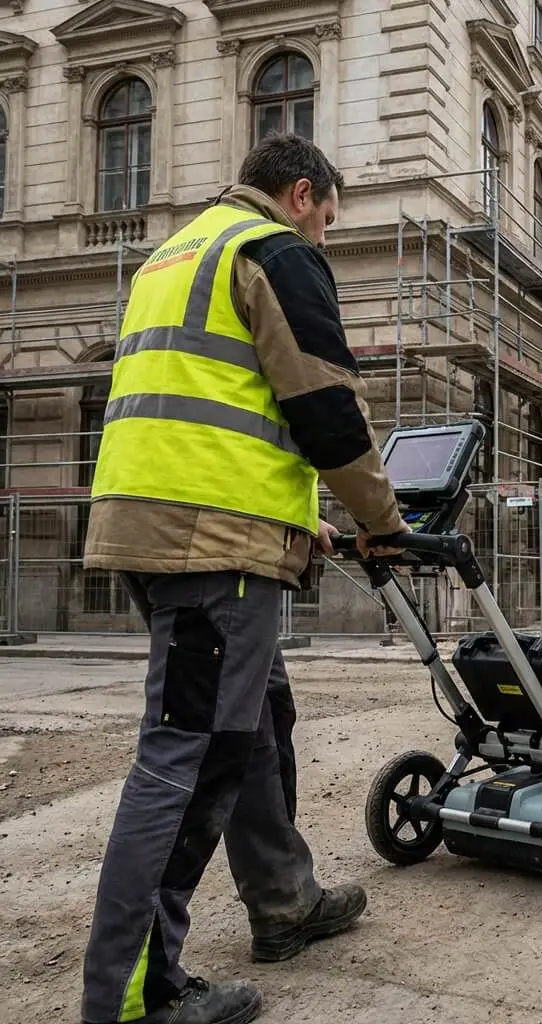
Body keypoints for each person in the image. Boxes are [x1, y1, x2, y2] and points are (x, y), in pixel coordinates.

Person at [79, 132, 410, 1024]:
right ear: (302, 194)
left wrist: (303, 519)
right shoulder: (274, 250)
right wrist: (384, 525)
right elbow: (325, 412)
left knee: (257, 719)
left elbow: (206, 410)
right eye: (330, 221)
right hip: (212, 551)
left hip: (161, 523)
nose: (329, 241)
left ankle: (284, 900)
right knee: (190, 757)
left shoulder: (172, 254)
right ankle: (133, 996)